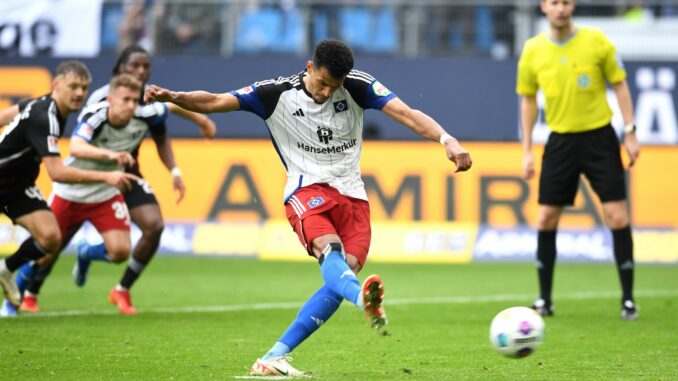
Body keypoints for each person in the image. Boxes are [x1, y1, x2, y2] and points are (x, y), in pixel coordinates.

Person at [145, 39, 472, 376]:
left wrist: (447, 139)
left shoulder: (357, 85)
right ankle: (362, 300)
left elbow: (407, 114)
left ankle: (273, 356)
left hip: (353, 194)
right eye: (323, 83)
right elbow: (214, 101)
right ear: (309, 67)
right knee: (328, 251)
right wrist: (173, 97)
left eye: (335, 87)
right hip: (306, 189)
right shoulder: (274, 93)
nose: (327, 92)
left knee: (344, 271)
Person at [13, 45, 216, 316]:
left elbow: (168, 109)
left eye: (146, 67)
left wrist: (201, 123)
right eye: (135, 67)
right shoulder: (97, 104)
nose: (141, 73)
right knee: (51, 246)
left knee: (142, 234)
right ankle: (26, 292)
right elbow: (76, 146)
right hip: (80, 182)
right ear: (119, 73)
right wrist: (110, 155)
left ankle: (116, 284)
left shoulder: (145, 106)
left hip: (116, 179)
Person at [516, 0, 640, 320]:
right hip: (560, 141)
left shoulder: (596, 40)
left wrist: (630, 132)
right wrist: (527, 148)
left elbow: (620, 84)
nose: (560, 8)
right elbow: (528, 99)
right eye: (554, 2)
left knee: (617, 217)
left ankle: (628, 299)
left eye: (566, 2)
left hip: (599, 138)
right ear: (544, 7)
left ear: (573, 6)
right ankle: (545, 300)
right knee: (545, 219)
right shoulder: (532, 50)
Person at [0, 61, 137, 314]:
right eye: (73, 86)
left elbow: (4, 117)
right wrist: (107, 178)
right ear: (57, 84)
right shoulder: (46, 117)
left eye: (84, 88)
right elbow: (58, 173)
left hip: (17, 187)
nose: (79, 93)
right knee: (50, 240)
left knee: (51, 239)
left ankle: (6, 269)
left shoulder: (41, 105)